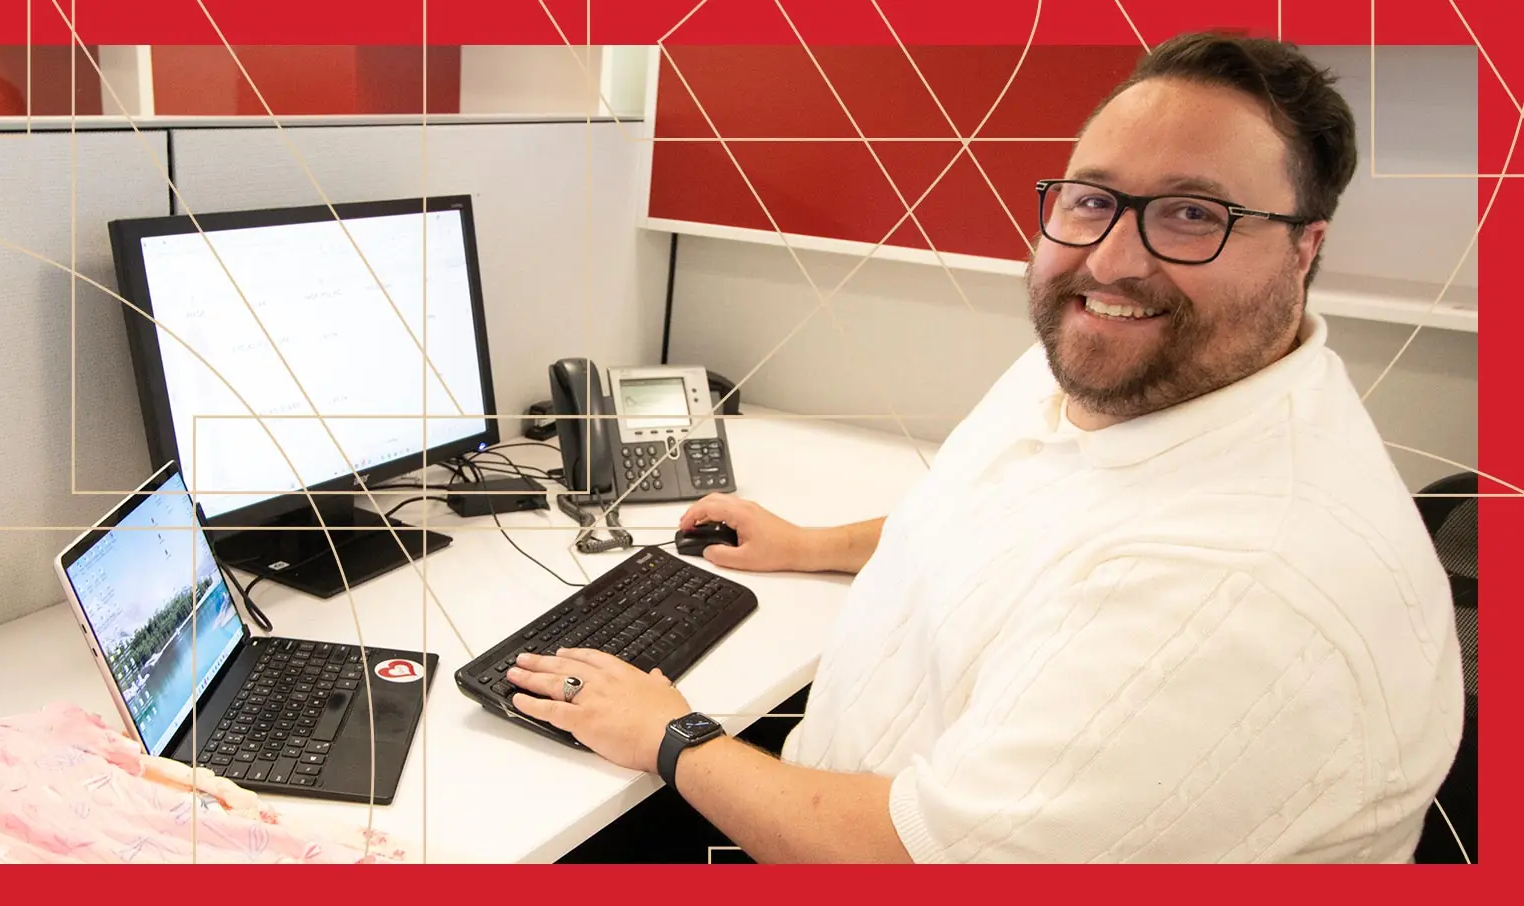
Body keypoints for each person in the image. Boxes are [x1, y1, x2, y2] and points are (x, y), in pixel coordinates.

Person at [509, 31, 1465, 863]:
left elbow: (909, 860)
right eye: (1093, 200)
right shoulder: (1110, 372)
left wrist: (669, 735)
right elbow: (1002, 513)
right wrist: (809, 544)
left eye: (1194, 214)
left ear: (1305, 247)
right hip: (848, 795)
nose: (1114, 260)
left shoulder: (1236, 589)